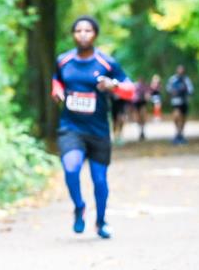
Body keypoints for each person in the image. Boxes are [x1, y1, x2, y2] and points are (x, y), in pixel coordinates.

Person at [51, 16, 134, 239]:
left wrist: (112, 85)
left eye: (88, 30)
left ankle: (101, 221)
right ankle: (79, 206)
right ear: (73, 35)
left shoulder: (107, 63)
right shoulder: (63, 60)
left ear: (95, 34)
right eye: (78, 30)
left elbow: (130, 89)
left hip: (97, 129)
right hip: (71, 127)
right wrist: (57, 90)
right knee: (71, 167)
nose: (83, 34)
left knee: (99, 180)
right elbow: (56, 79)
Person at [166, 65, 194, 144]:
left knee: (183, 118)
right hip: (176, 102)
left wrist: (186, 93)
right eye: (179, 70)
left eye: (182, 70)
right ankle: (178, 132)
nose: (180, 71)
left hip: (184, 101)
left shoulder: (187, 79)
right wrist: (173, 92)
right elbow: (168, 89)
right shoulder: (172, 79)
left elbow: (191, 90)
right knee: (176, 116)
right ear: (177, 70)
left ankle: (180, 134)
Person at [132, 76, 150, 141]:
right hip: (136, 103)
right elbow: (132, 94)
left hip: (143, 103)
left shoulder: (145, 86)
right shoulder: (135, 85)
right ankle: (140, 130)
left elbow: (147, 94)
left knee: (143, 115)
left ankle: (142, 130)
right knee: (138, 117)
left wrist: (147, 97)